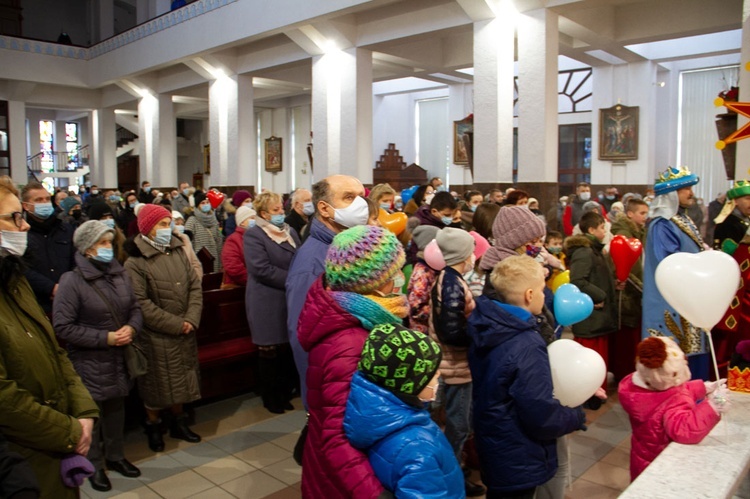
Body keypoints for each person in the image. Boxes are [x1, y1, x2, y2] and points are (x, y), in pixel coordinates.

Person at [0, 176, 99, 498]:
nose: (24, 225)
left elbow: (55, 352)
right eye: (14, 217)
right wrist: (69, 431)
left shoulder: (14, 280)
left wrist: (83, 412)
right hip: (23, 457)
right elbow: (4, 398)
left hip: (54, 446)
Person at [297, 225, 406, 498]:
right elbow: (337, 437)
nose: (401, 279)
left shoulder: (361, 320)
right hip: (345, 481)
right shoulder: (350, 343)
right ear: (374, 283)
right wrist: (375, 494)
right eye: (395, 273)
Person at [468, 255, 586, 499]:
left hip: (494, 437)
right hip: (517, 450)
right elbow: (539, 413)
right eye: (543, 290)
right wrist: (575, 416)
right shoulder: (526, 342)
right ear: (530, 295)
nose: (546, 296)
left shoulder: (487, 322)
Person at [53, 220, 143, 491]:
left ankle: (116, 457)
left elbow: (135, 308)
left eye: (109, 243)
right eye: (102, 244)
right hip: (89, 360)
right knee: (91, 413)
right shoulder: (72, 281)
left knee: (116, 410)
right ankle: (93, 465)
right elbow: (63, 326)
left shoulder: (119, 273)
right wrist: (106, 338)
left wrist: (131, 328)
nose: (108, 248)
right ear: (86, 248)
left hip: (119, 358)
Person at [343, 324, 464, 498]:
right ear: (409, 382)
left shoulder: (375, 415)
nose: (439, 377)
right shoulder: (418, 449)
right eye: (434, 374)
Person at [124, 204, 203, 452]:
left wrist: (190, 318)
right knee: (157, 385)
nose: (168, 229)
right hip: (156, 334)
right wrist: (177, 324)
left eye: (169, 223)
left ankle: (179, 423)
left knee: (181, 380)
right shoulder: (135, 260)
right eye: (162, 224)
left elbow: (194, 286)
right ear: (147, 228)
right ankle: (154, 426)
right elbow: (140, 303)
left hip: (185, 329)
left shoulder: (177, 249)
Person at [286, 174, 368, 409]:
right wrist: (320, 396)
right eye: (349, 197)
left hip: (353, 371)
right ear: (324, 208)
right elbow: (302, 334)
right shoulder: (313, 263)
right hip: (332, 386)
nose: (360, 205)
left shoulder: (344, 248)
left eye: (361, 197)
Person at [427, 227, 486, 497]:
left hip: (451, 365)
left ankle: (451, 474)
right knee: (458, 426)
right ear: (464, 255)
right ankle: (452, 480)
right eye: (472, 250)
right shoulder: (451, 283)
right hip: (456, 368)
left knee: (453, 424)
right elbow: (452, 332)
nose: (475, 255)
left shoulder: (448, 278)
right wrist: (478, 336)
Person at [618, 336, 726, 481]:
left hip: (642, 458)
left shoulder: (643, 385)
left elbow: (672, 392)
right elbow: (685, 429)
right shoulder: (669, 400)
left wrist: (702, 388)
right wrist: (715, 404)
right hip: (663, 466)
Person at [642, 166, 710, 380]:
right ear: (672, 194)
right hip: (672, 299)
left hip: (689, 296)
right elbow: (670, 263)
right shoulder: (662, 225)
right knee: (674, 355)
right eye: (686, 189)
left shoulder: (682, 219)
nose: (691, 193)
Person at [245, 192, 300, 413]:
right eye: (275, 210)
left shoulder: (290, 232)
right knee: (270, 350)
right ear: (263, 213)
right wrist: (293, 280)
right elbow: (260, 268)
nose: (281, 213)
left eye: (281, 209)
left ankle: (285, 392)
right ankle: (270, 397)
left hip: (289, 297)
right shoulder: (254, 235)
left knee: (287, 348)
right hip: (267, 299)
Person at [564, 211, 618, 392]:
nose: (605, 231)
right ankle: (589, 393)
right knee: (590, 358)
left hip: (599, 318)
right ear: (591, 229)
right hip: (591, 316)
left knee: (599, 357)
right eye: (602, 228)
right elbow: (578, 280)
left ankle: (596, 391)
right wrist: (600, 295)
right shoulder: (584, 252)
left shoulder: (595, 250)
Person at [711, 180, 750, 368]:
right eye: (747, 198)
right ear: (735, 201)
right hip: (736, 286)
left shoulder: (746, 221)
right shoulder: (728, 224)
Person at [21, 182, 77, 313]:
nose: (44, 203)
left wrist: (66, 286)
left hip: (69, 297)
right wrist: (50, 288)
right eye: (38, 200)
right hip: (38, 301)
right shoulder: (22, 233)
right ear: (26, 206)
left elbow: (75, 260)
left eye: (47, 199)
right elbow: (22, 267)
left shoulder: (65, 229)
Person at [609, 199, 648, 382]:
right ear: (630, 214)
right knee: (626, 339)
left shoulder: (639, 232)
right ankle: (624, 375)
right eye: (642, 213)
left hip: (635, 292)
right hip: (627, 296)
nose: (645, 217)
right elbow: (626, 269)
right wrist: (643, 289)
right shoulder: (624, 235)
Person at [406, 225, 440, 333]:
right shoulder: (422, 272)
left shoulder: (432, 268)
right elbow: (416, 308)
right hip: (421, 331)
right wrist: (440, 310)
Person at [185, 190, 223, 272]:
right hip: (199, 259)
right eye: (203, 203)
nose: (206, 204)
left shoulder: (214, 220)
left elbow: (219, 241)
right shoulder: (192, 220)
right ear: (198, 205)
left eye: (207, 202)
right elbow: (187, 241)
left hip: (214, 258)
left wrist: (221, 261)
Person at [220, 206, 254, 288]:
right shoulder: (233, 240)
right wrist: (252, 280)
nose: (255, 221)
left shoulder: (256, 236)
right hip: (238, 287)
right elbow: (233, 266)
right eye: (252, 218)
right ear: (242, 222)